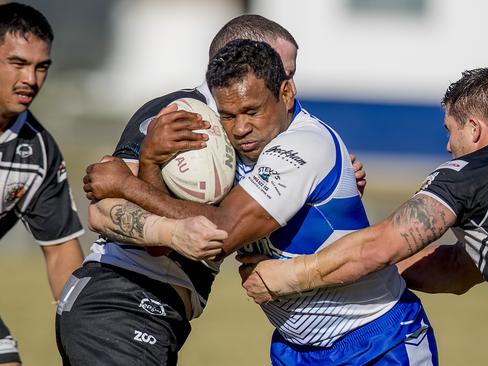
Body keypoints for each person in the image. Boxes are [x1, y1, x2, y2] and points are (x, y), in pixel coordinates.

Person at [238, 62, 488, 366]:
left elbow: (379, 247)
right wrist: (370, 281)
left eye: (449, 131)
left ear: (473, 128)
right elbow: (459, 270)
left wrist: (289, 276)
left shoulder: (471, 173)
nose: (448, 146)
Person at [83, 39, 438, 365]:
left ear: (286, 93)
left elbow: (220, 230)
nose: (239, 129)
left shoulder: (304, 146)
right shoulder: (226, 151)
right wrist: (150, 161)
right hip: (296, 348)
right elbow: (165, 243)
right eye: (228, 115)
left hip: (376, 340)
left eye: (252, 111)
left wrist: (127, 185)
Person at [0, 3, 84, 366]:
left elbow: (61, 252)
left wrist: (84, 336)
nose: (31, 80)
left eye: (40, 67)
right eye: (17, 64)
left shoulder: (36, 152)